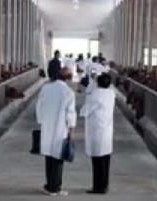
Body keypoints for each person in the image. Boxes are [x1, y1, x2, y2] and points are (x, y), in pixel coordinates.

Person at [36, 61, 76, 196]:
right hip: (60, 129)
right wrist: (71, 130)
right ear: (69, 78)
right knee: (58, 158)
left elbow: (39, 106)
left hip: (47, 127)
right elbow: (70, 113)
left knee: (49, 157)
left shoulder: (46, 88)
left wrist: (41, 122)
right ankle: (55, 187)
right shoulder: (68, 92)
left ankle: (50, 186)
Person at [81, 73, 114, 194]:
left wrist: (91, 88)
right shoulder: (111, 93)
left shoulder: (96, 94)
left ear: (98, 83)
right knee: (105, 159)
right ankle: (105, 185)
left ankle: (98, 187)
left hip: (96, 131)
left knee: (97, 161)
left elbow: (84, 111)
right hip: (107, 130)